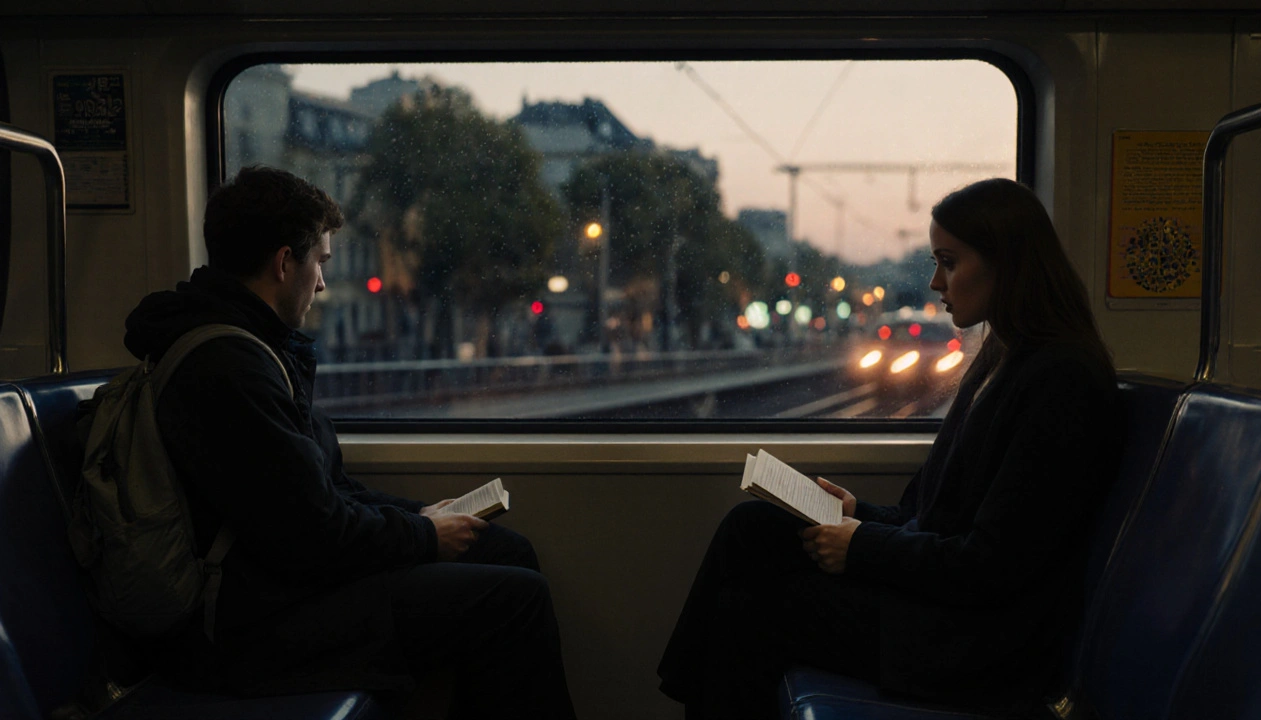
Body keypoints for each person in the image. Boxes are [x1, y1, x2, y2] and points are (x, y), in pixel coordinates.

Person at [657, 178, 1121, 718]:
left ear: (1007, 263)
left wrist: (861, 545)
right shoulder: (1003, 355)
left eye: (949, 262)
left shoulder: (1062, 382)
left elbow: (989, 566)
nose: (934, 281)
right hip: (941, 601)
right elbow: (930, 514)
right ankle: (683, 696)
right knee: (751, 526)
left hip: (979, 641)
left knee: (749, 611)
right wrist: (859, 514)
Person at [123, 165, 576, 719]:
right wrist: (421, 535)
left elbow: (321, 490)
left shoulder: (253, 350)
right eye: (319, 263)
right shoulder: (228, 368)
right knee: (516, 603)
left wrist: (424, 515)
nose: (320, 283)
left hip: (275, 586)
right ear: (285, 262)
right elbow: (313, 533)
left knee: (507, 552)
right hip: (244, 627)